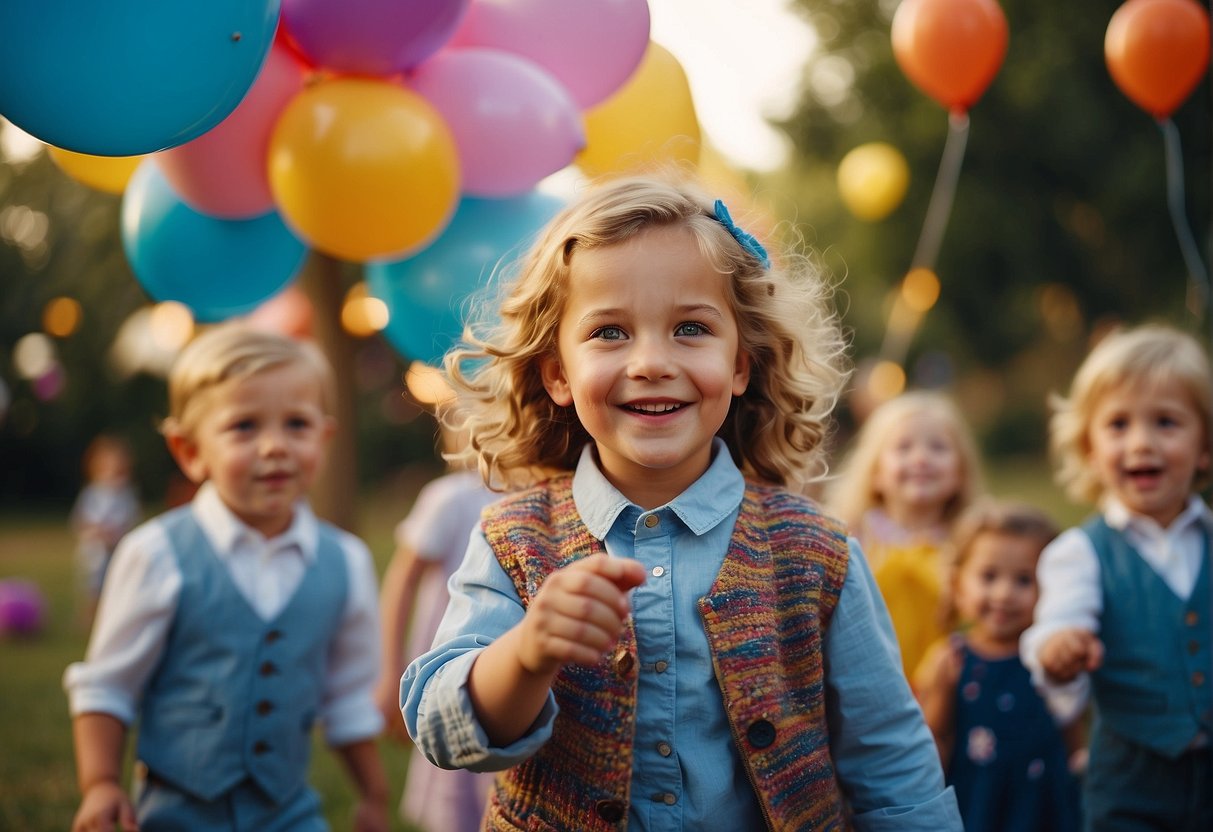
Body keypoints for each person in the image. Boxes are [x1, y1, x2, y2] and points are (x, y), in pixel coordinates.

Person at [401, 174, 962, 830]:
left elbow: (892, 766)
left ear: (740, 365)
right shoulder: (512, 539)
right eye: (609, 333)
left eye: (690, 328)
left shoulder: (817, 554)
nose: (650, 362)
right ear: (557, 373)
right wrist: (527, 652)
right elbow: (441, 728)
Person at [63, 324, 389, 832]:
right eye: (244, 427)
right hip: (177, 812)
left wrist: (373, 793)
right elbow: (108, 688)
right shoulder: (156, 554)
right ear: (190, 451)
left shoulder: (345, 561)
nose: (274, 446)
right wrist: (101, 783)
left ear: (324, 438)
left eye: (297, 424)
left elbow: (347, 698)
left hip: (289, 813)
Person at [1021, 323, 1213, 830]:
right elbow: (1059, 620)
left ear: (1206, 446)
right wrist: (1058, 648)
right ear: (1089, 449)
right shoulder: (1082, 553)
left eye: (1166, 423)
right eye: (1119, 425)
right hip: (1131, 784)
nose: (1141, 443)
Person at [915, 500, 1082, 831]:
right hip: (978, 803)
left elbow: (1072, 735)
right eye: (989, 577)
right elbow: (933, 740)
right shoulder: (952, 660)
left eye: (1023, 580)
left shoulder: (1050, 657)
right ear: (958, 585)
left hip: (1044, 806)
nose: (1004, 594)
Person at [374, 420, 498, 832]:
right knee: (454, 796)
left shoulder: (546, 493)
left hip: (511, 674)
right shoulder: (450, 498)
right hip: (453, 675)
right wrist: (391, 669)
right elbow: (402, 582)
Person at [827, 390, 985, 679]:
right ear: (875, 472)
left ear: (961, 472)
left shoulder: (970, 541)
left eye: (938, 447)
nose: (921, 459)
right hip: (870, 682)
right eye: (903, 447)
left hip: (947, 688)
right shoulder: (853, 536)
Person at [70, 433, 141, 628]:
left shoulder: (126, 495)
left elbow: (130, 520)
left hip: (117, 550)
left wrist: (115, 533)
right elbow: (81, 521)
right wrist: (94, 532)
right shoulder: (92, 493)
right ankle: (88, 617)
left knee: (115, 585)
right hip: (95, 551)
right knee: (92, 586)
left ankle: (111, 617)